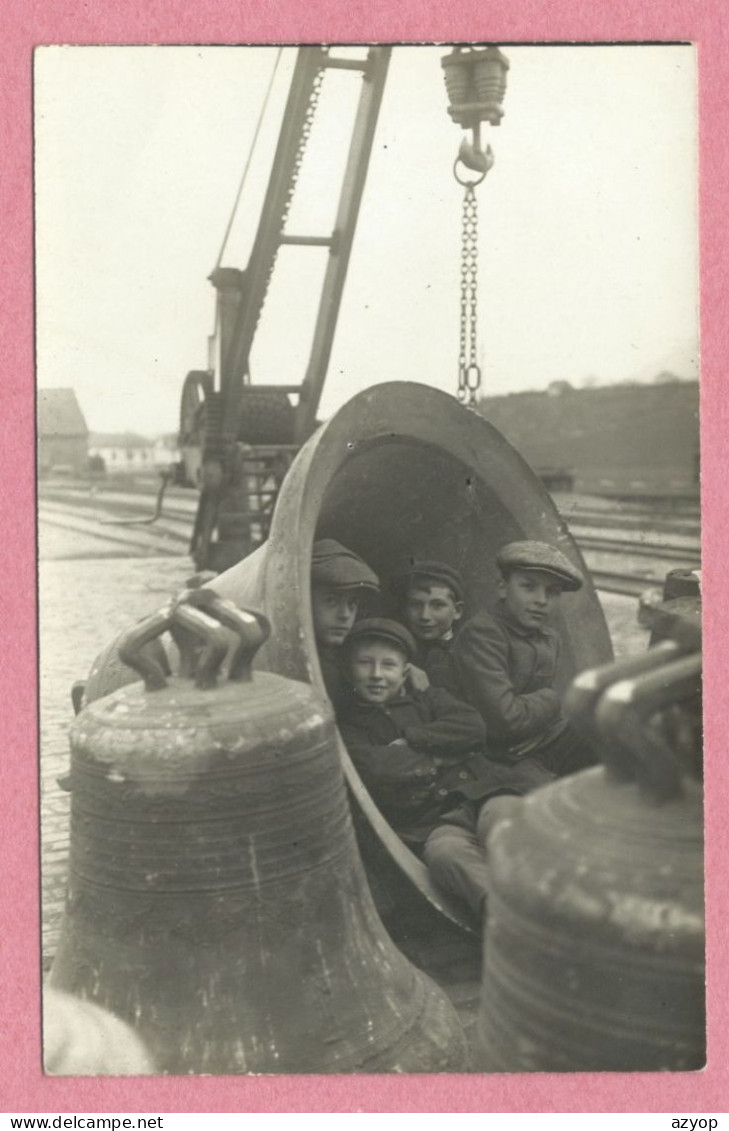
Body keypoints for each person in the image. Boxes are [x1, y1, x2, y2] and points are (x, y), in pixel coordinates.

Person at [337, 618, 510, 918]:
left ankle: (559, 903)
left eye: (388, 665)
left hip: (479, 796)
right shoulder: (349, 726)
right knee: (447, 857)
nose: (377, 675)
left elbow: (472, 727)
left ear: (404, 672)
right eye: (365, 663)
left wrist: (411, 740)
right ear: (349, 670)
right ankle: (513, 924)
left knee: (508, 827)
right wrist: (443, 756)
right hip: (432, 824)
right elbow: (376, 768)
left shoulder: (430, 698)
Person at [453, 539, 596, 777]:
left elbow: (544, 717)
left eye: (552, 591)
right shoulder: (483, 633)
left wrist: (544, 727)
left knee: (610, 733)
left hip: (536, 743)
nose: (541, 600)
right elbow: (505, 721)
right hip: (492, 756)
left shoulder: (549, 638)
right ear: (502, 587)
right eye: (529, 587)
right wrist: (553, 698)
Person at [310, 538, 380, 713]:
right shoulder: (320, 670)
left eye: (352, 603)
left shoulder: (343, 655)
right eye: (331, 601)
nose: (345, 615)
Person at [391, 560, 466, 697]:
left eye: (437, 605)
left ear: (457, 611)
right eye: (415, 605)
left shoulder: (469, 655)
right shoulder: (394, 651)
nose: (425, 616)